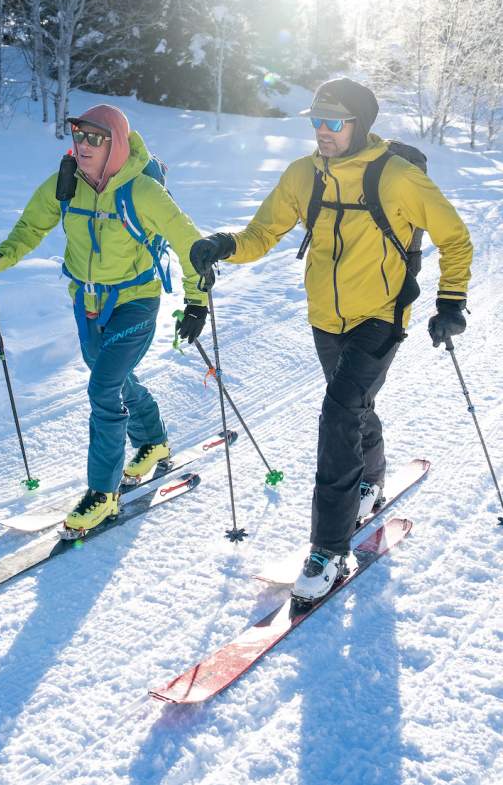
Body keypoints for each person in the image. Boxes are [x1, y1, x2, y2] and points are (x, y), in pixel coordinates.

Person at [189, 77, 472, 602]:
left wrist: (450, 302)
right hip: (325, 317)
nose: (321, 131)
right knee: (354, 407)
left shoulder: (397, 178)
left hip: (381, 316)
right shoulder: (304, 175)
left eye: (333, 122)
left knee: (338, 414)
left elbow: (455, 237)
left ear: (359, 125)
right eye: (316, 121)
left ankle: (329, 549)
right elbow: (262, 233)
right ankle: (372, 476)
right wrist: (224, 244)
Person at [0, 104, 207, 534]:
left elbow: (191, 244)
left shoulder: (143, 192)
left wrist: (196, 301)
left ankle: (104, 493)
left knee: (103, 387)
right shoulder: (66, 183)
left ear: (115, 142)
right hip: (87, 303)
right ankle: (153, 441)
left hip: (135, 302)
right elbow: (30, 227)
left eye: (95, 138)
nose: (83, 145)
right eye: (78, 135)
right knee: (112, 377)